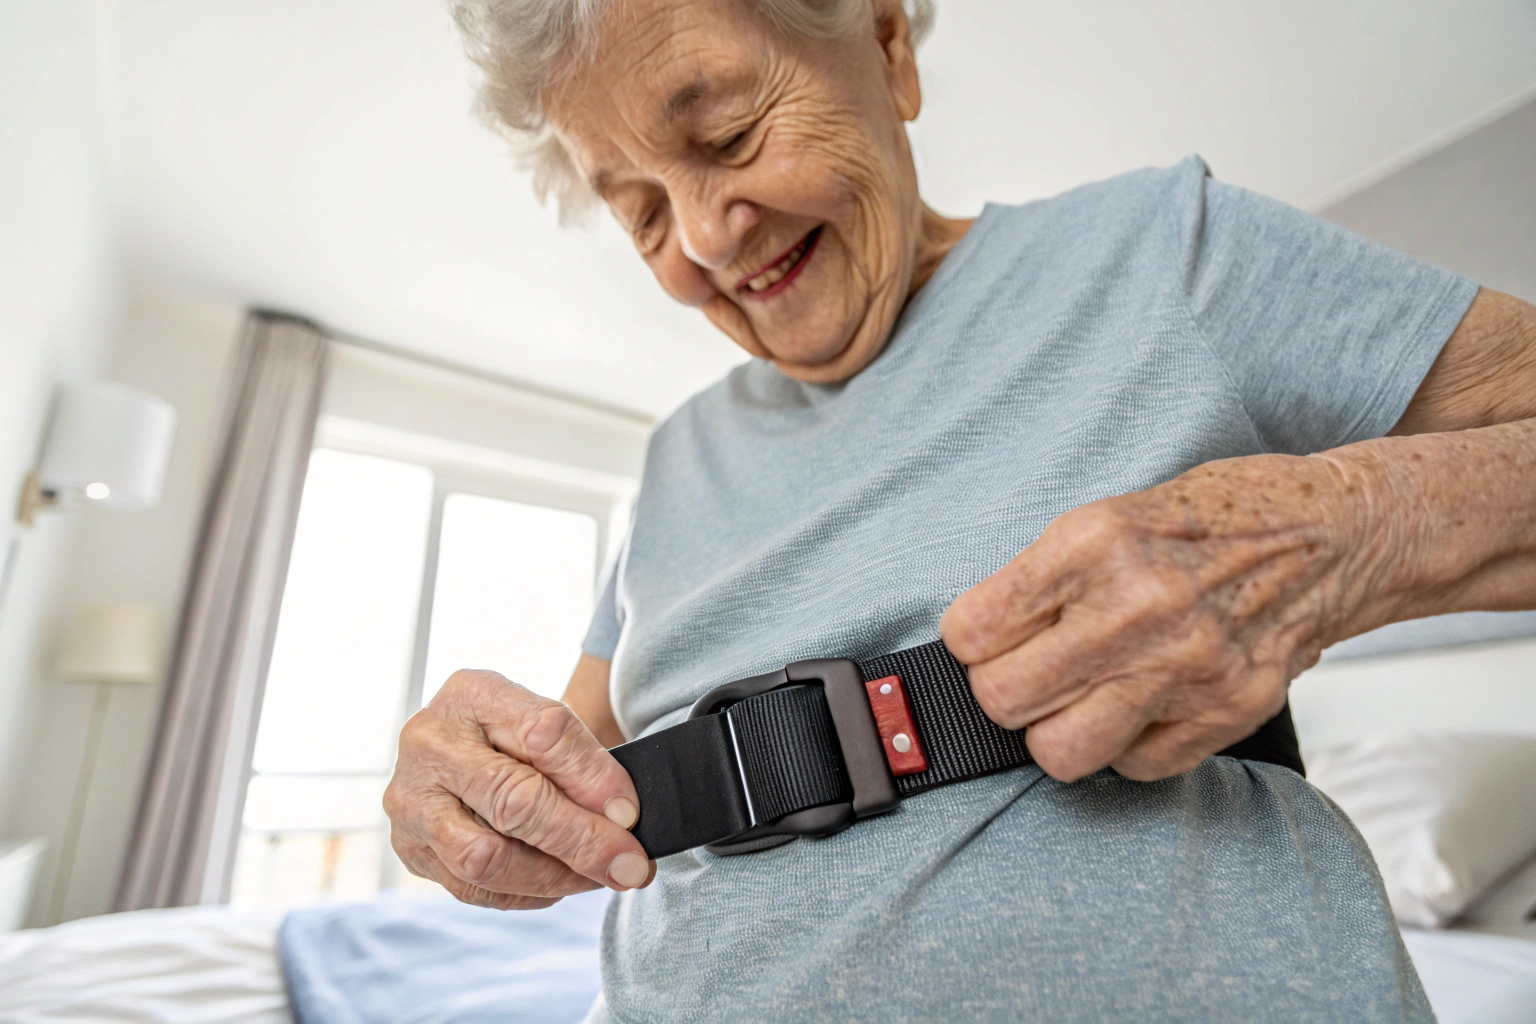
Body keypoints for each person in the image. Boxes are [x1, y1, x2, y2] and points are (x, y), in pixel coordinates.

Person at [382, 0, 1536, 1019]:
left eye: (728, 135)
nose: (700, 238)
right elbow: (569, 778)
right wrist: (468, 792)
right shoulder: (675, 457)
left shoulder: (1165, 253)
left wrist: (1333, 533)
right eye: (639, 211)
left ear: (888, 45)